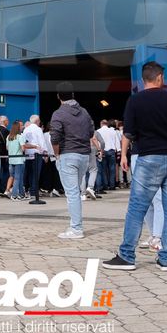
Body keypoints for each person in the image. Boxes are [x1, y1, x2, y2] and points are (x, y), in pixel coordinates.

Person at [102, 62, 167, 272]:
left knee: (137, 208)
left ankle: (127, 256)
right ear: (160, 78)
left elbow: (129, 132)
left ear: (143, 80)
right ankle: (165, 259)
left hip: (149, 159)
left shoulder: (135, 101)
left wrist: (126, 152)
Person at [49, 82, 94, 239]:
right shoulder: (85, 112)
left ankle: (76, 228)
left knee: (72, 193)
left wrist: (57, 156)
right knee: (76, 191)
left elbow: (54, 138)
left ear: (58, 96)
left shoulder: (58, 114)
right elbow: (90, 132)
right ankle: (75, 224)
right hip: (84, 155)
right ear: (73, 95)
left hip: (68, 155)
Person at [22, 114, 46, 204]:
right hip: (37, 152)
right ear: (37, 121)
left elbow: (24, 141)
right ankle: (34, 191)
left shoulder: (26, 129)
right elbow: (41, 141)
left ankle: (27, 190)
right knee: (36, 173)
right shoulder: (38, 129)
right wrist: (44, 152)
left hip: (28, 153)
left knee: (29, 173)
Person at [5, 120, 26, 199]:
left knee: (14, 176)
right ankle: (14, 195)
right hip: (19, 159)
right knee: (17, 177)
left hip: (11, 159)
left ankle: (21, 194)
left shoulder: (9, 137)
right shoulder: (20, 137)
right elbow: (23, 148)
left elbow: (7, 148)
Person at [96, 119, 118, 193]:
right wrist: (118, 150)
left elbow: (99, 142)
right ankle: (112, 185)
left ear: (101, 124)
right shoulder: (113, 131)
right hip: (111, 150)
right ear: (107, 124)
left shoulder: (98, 131)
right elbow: (116, 141)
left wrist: (99, 151)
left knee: (103, 169)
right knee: (112, 169)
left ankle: (105, 185)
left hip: (103, 151)